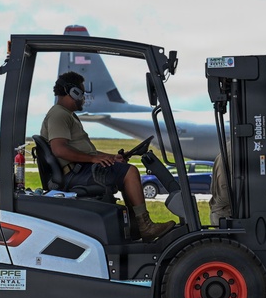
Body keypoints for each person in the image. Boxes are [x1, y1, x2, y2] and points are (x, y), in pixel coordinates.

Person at [41, 71, 174, 243]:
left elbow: (88, 153)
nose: (83, 98)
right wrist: (92, 160)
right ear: (72, 92)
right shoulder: (59, 115)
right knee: (130, 172)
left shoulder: (67, 115)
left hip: (80, 170)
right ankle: (145, 226)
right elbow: (59, 149)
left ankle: (136, 227)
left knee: (123, 170)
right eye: (81, 93)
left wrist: (111, 158)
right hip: (75, 175)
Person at [209, 145, 266, 224]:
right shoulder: (240, 148)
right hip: (225, 213)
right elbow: (251, 173)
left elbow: (251, 172)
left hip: (222, 211)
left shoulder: (234, 147)